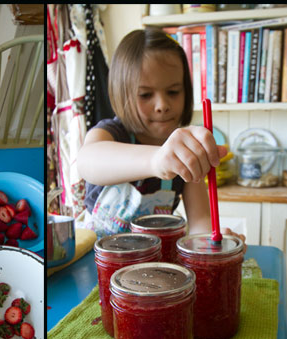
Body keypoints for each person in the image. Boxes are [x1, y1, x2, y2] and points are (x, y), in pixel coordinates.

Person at [77, 28, 245, 246]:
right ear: (122, 93)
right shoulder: (110, 133)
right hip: (96, 264)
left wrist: (215, 242)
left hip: (152, 267)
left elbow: (201, 223)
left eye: (173, 92)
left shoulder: (187, 153)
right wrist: (157, 160)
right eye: (146, 95)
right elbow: (87, 161)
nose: (162, 105)